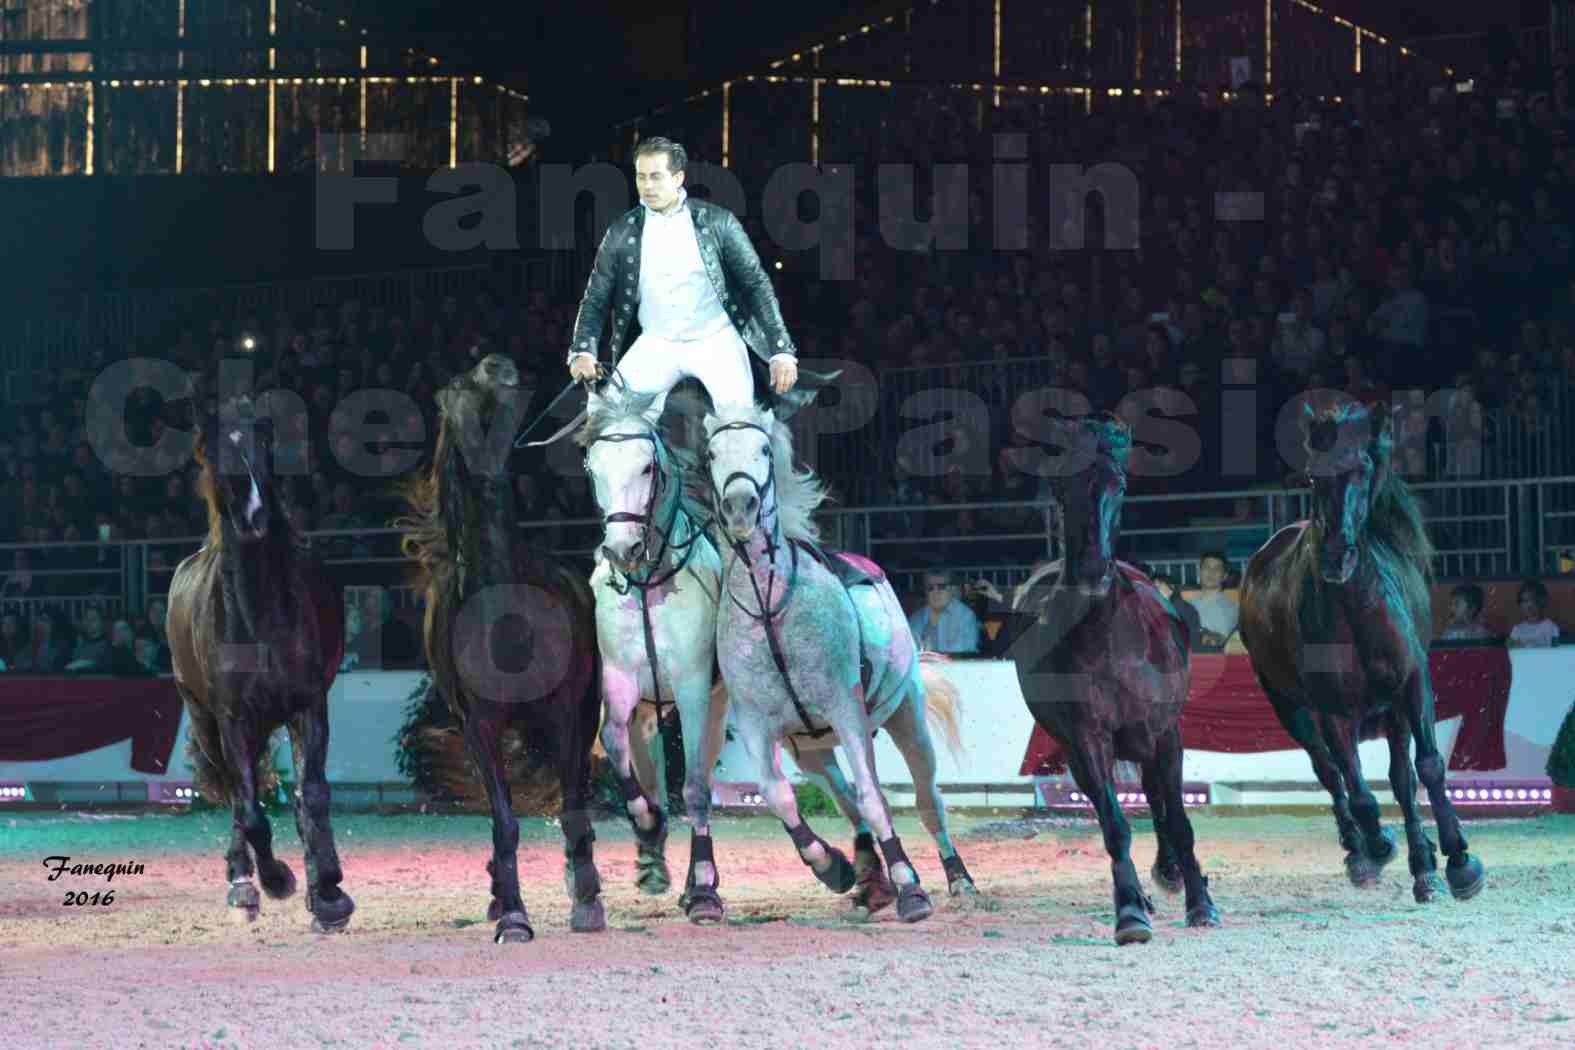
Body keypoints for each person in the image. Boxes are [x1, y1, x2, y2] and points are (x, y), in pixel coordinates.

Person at [566, 136, 835, 421]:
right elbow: (595, 297)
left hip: (717, 342)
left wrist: (781, 351)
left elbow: (756, 285)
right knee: (605, 423)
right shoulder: (621, 232)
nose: (647, 186)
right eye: (641, 177)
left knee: (745, 436)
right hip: (657, 343)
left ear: (678, 177)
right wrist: (582, 350)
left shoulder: (719, 222)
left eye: (656, 177)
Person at [908, 570, 982, 654]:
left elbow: (964, 651)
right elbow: (908, 652)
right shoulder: (916, 618)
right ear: (925, 592)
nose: (935, 592)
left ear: (952, 589)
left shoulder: (966, 616)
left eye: (941, 587)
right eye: (930, 588)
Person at [1191, 552, 1239, 650]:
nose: (1211, 572)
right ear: (1200, 572)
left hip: (1214, 659)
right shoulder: (1190, 604)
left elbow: (1222, 640)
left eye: (1217, 569)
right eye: (1207, 567)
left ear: (1224, 576)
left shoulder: (1230, 608)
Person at [1152, 573, 1204, 648]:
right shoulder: (1148, 608)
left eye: (1158, 586)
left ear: (1171, 587)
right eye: (1153, 587)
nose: (1155, 590)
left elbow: (1194, 637)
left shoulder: (1185, 608)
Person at [1508, 580, 1562, 648]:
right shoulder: (1516, 630)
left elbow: (1557, 652)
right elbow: (1512, 652)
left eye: (1532, 599)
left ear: (1541, 601)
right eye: (1524, 601)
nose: (1529, 605)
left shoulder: (1551, 627)